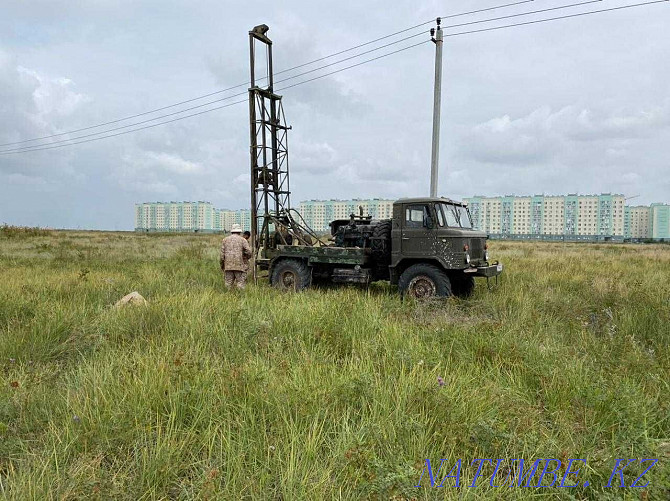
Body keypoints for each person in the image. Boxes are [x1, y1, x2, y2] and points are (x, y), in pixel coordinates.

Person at [219, 224, 252, 289]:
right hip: (240, 266)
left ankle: (227, 297)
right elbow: (249, 252)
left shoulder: (225, 240)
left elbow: (222, 256)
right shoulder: (243, 240)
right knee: (240, 284)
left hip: (228, 266)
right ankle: (240, 298)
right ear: (239, 231)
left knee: (228, 284)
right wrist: (246, 258)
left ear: (232, 231)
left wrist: (222, 265)